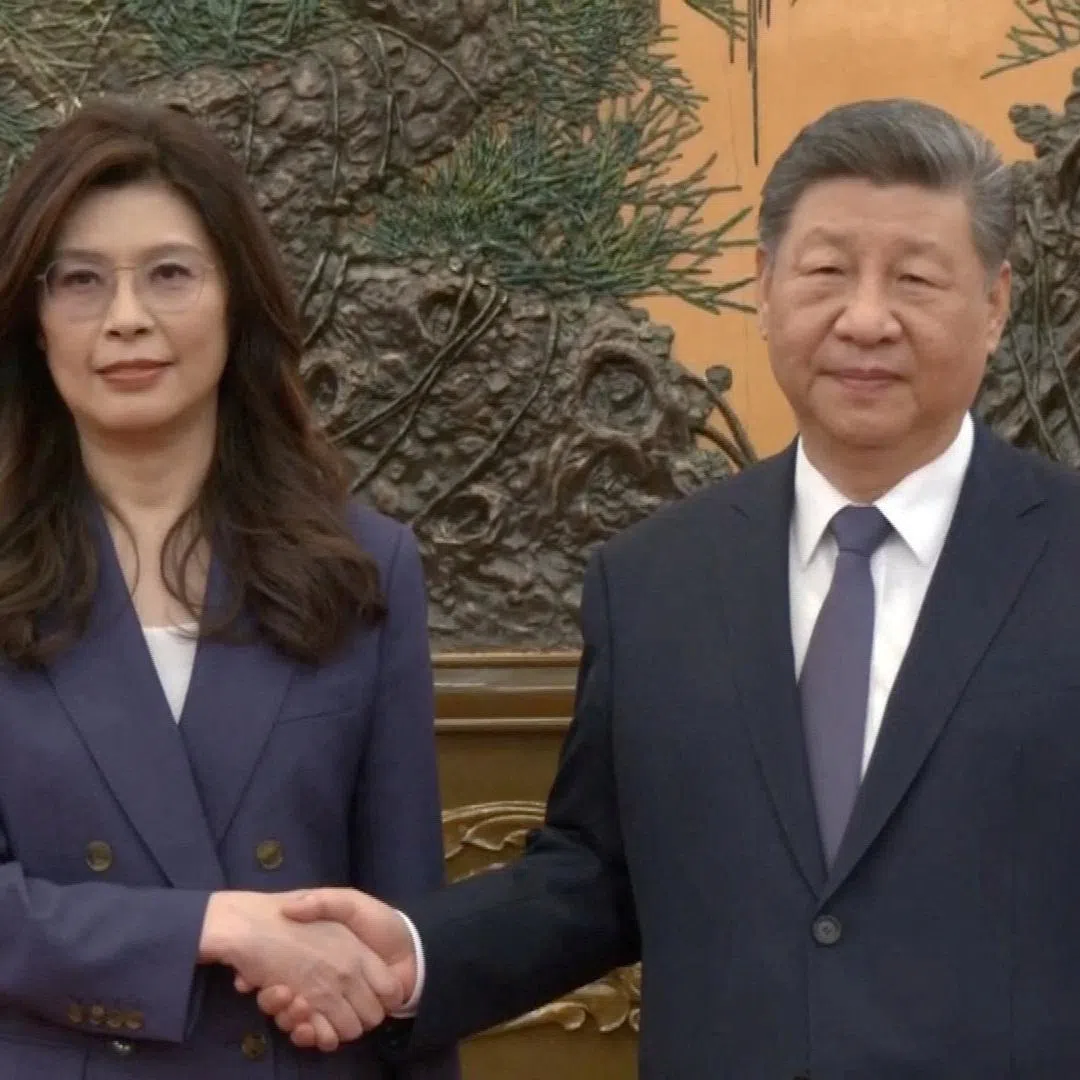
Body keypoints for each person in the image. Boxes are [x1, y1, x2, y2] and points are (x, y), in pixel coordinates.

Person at [246, 97, 1080, 1076]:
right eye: (825, 272)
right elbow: (599, 879)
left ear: (995, 303)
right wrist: (417, 955)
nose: (865, 318)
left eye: (915, 280)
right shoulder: (655, 580)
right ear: (765, 289)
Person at [0, 98, 458, 1079]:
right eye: (80, 281)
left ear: (235, 300)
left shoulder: (362, 572)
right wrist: (215, 925)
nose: (127, 317)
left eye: (168, 274)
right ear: (34, 323)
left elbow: (403, 929)